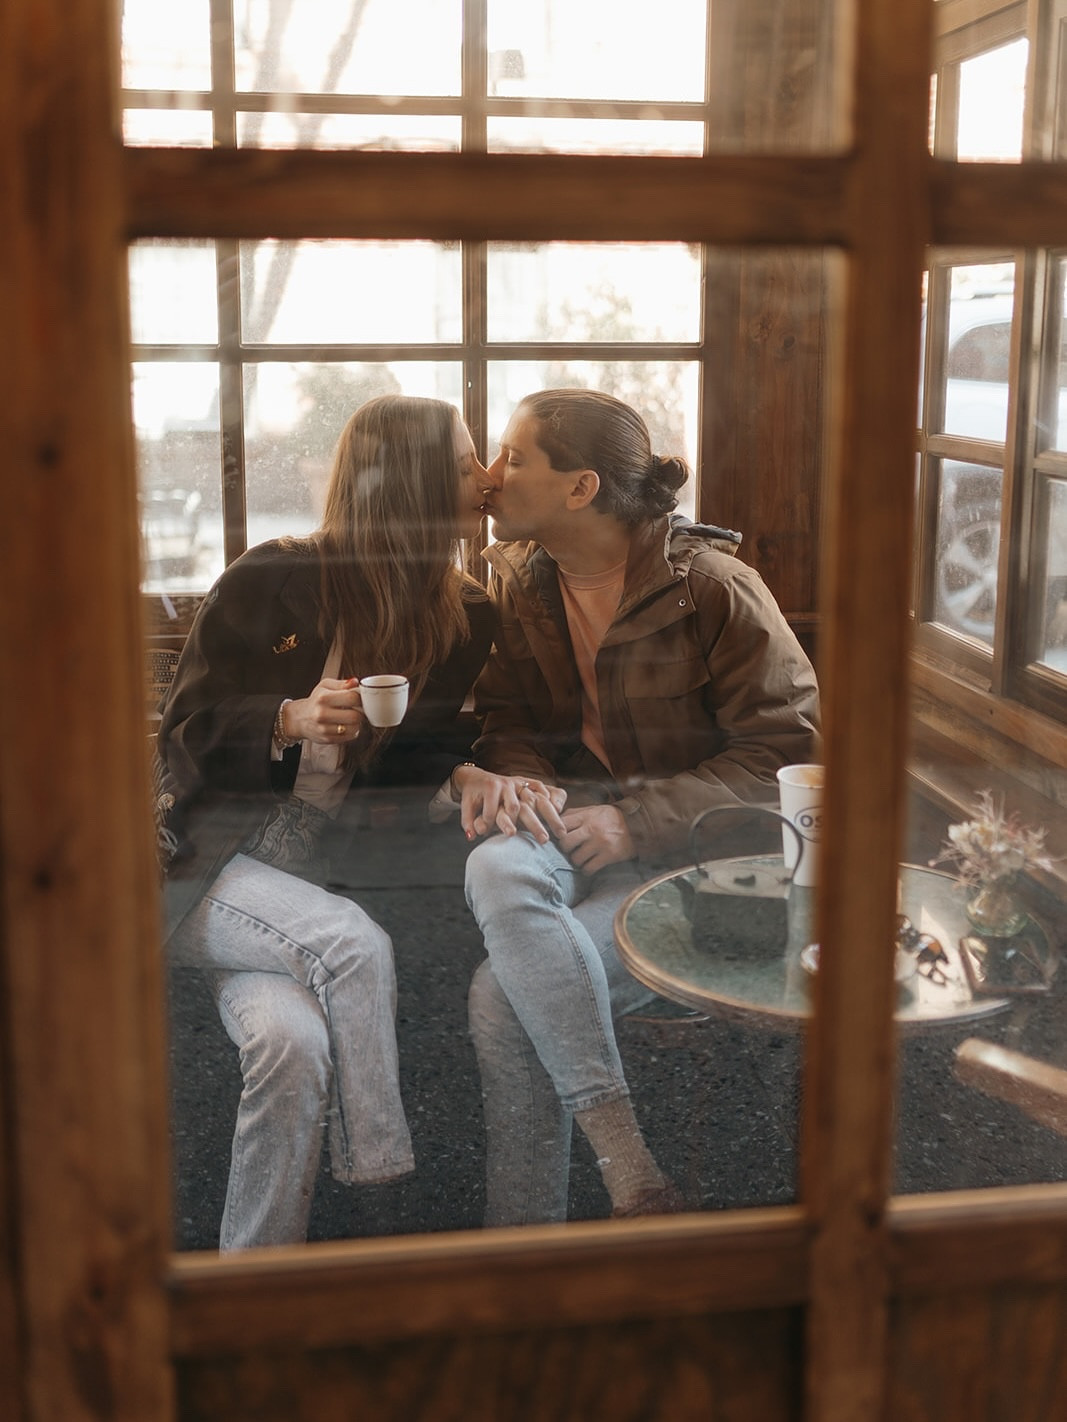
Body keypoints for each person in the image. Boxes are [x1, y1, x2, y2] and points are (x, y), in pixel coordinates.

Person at [453, 388, 821, 1226]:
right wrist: (521, 780)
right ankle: (628, 1187)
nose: (488, 477)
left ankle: (535, 1233)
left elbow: (786, 755)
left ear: (580, 488)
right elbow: (505, 721)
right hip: (566, 829)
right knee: (491, 860)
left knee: (503, 998)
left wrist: (633, 822)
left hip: (693, 866)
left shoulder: (715, 590)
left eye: (512, 457)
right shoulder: (511, 580)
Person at [157, 394, 513, 1250]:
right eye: (466, 461)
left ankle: (254, 1285)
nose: (486, 477)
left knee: (290, 1046)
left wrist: (463, 769)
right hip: (200, 867)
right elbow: (181, 736)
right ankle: (383, 1194)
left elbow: (415, 756)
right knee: (354, 944)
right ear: (413, 480)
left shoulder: (465, 613)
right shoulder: (269, 577)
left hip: (306, 889)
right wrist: (286, 718)